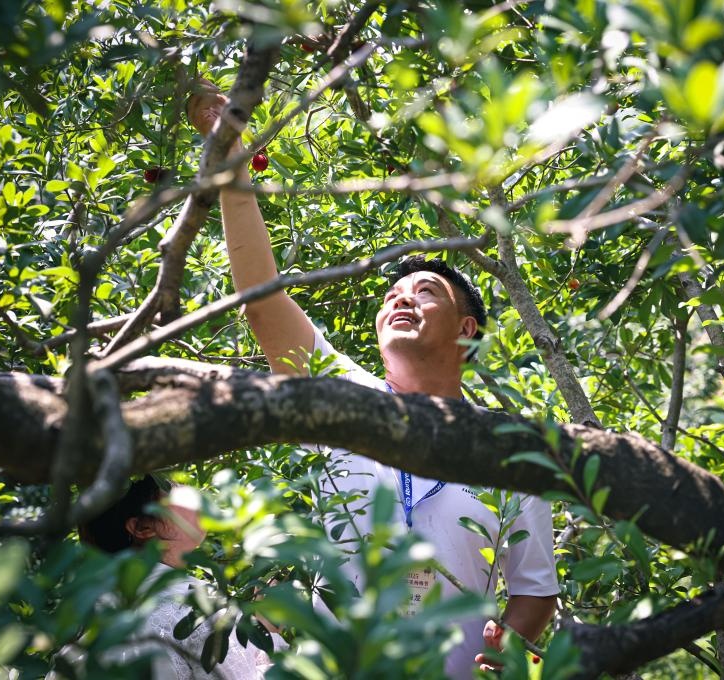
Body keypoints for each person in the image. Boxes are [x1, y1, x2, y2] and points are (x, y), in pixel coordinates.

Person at [187, 79, 559, 678]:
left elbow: (536, 589)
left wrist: (504, 652)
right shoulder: (341, 395)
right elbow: (262, 302)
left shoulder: (513, 448)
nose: (400, 302)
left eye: (425, 292)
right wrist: (232, 167)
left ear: (467, 330)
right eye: (391, 296)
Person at [78, 475, 285, 680]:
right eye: (173, 489)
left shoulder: (92, 607)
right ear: (143, 528)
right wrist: (268, 634)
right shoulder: (196, 606)